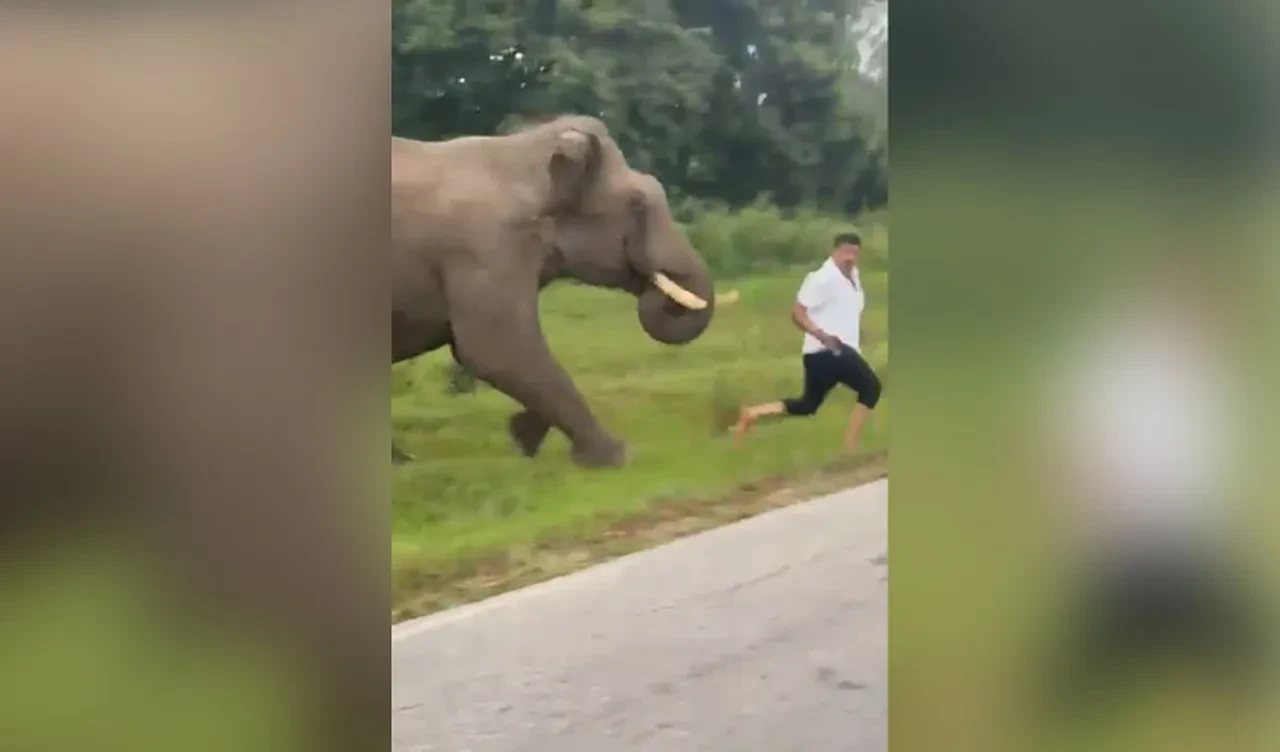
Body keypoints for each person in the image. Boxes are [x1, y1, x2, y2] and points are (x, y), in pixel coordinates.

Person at [733, 232, 881, 452]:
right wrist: (821, 335)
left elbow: (845, 310)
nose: (849, 257)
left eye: (854, 253)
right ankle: (850, 446)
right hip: (829, 350)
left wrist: (858, 334)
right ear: (835, 251)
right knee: (871, 388)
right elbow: (798, 313)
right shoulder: (822, 277)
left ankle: (753, 413)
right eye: (845, 252)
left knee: (808, 405)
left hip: (830, 353)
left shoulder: (854, 276)